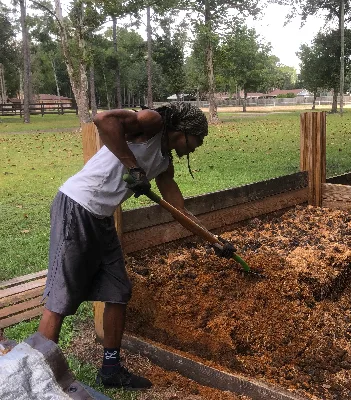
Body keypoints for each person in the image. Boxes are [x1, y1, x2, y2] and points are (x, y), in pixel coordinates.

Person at [37, 102, 236, 391]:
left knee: (118, 291)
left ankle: (110, 370)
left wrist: (215, 241)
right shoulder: (151, 123)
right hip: (77, 207)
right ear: (182, 131)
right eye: (197, 140)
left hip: (102, 217)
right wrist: (133, 166)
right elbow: (103, 120)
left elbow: (178, 209)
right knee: (61, 297)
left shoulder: (164, 163)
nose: (196, 148)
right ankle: (40, 375)